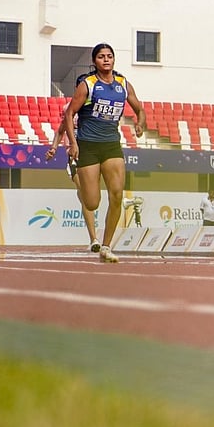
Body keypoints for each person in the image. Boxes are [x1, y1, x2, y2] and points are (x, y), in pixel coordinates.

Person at [59, 43, 146, 263]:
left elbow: (139, 109)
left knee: (117, 194)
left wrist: (140, 124)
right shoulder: (88, 84)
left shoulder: (123, 84)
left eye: (109, 56)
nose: (106, 60)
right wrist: (73, 143)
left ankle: (106, 246)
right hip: (88, 145)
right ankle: (84, 188)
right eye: (101, 57)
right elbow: (69, 113)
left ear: (114, 59)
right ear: (95, 61)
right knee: (92, 203)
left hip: (111, 146)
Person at [45, 105, 101, 252]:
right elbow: (60, 131)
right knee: (84, 192)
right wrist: (53, 148)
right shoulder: (68, 115)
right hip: (74, 157)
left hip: (91, 157)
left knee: (90, 197)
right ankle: (94, 239)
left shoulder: (90, 115)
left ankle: (96, 235)